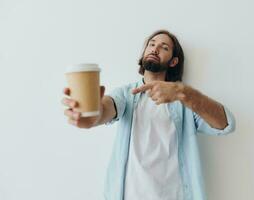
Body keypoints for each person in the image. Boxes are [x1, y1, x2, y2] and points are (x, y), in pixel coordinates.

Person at [62, 30, 236, 200]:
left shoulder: (184, 101)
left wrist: (182, 92)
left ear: (174, 61)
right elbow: (107, 108)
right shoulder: (126, 94)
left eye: (164, 47)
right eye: (151, 44)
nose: (154, 48)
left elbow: (226, 124)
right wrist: (92, 115)